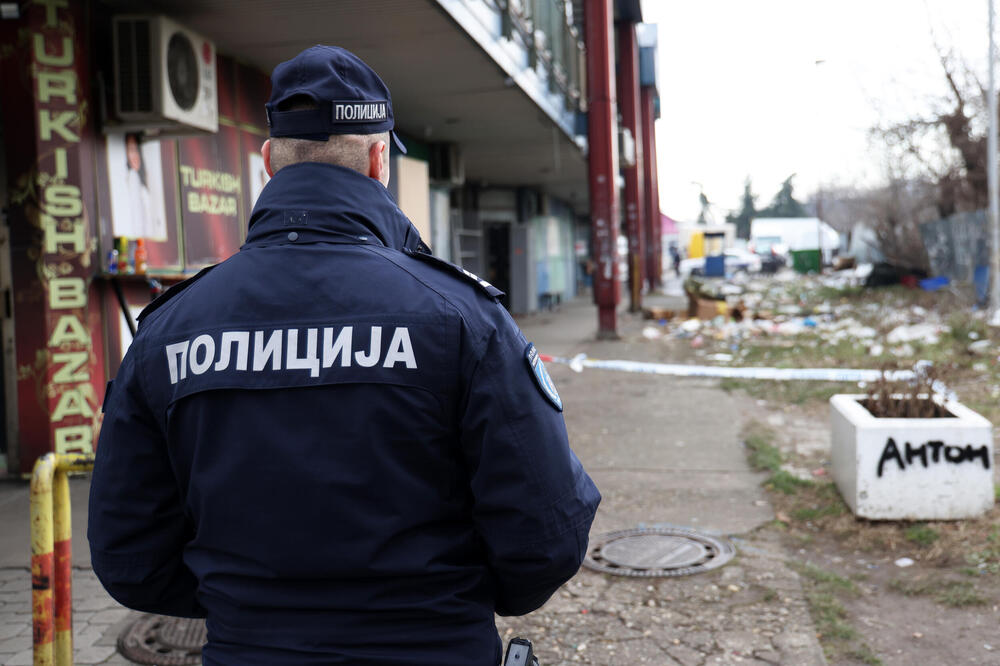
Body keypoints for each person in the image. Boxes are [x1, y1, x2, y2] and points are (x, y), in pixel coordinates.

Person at [89, 45, 601, 665]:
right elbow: (545, 537)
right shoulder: (461, 316)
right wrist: (444, 601)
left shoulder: (168, 331)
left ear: (267, 163)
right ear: (379, 158)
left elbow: (129, 555)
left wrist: (251, 611)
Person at [120, 132, 167, 241]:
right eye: (131, 150)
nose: (135, 155)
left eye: (136, 150)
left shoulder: (143, 179)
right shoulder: (131, 177)